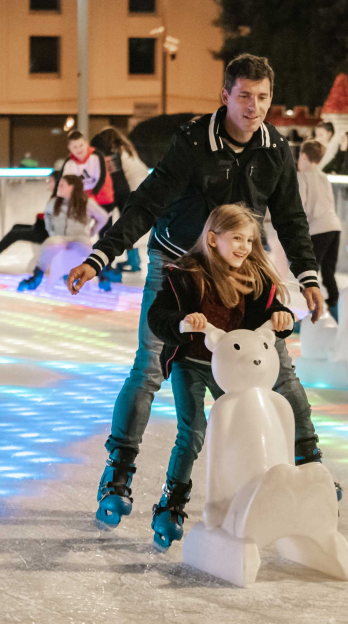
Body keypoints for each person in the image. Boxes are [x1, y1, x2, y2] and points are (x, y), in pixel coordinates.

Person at [64, 53, 327, 530]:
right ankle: (118, 473)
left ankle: (311, 469)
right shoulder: (191, 142)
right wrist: (100, 255)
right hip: (178, 265)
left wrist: (308, 276)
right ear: (224, 95)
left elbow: (290, 218)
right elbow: (147, 203)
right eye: (244, 96)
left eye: (263, 98)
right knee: (149, 368)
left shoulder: (275, 149)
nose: (254, 107)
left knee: (278, 365)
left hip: (240, 265)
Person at [145, 204, 296, 549]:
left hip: (232, 373)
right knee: (194, 430)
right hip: (192, 365)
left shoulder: (254, 277)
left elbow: (272, 310)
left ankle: (244, 500)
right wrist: (183, 323)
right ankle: (171, 502)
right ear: (213, 239)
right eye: (237, 239)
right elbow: (159, 315)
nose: (244, 247)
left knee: (243, 429)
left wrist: (283, 318)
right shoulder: (186, 274)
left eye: (249, 240)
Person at [17, 174, 109, 291]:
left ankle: (102, 277)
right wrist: (52, 232)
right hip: (61, 238)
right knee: (49, 244)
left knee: (90, 250)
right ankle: (36, 279)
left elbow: (103, 217)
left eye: (62, 185)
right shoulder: (54, 202)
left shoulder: (86, 203)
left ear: (72, 187)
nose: (58, 187)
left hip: (80, 238)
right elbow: (47, 217)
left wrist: (92, 231)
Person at [0, 171, 58, 269]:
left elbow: (54, 220)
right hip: (43, 228)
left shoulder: (57, 199)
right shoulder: (54, 198)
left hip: (46, 232)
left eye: (50, 181)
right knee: (16, 227)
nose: (48, 183)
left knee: (14, 234)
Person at [63, 129, 119, 288]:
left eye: (81, 145)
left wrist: (92, 195)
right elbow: (67, 184)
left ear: (86, 144)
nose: (79, 149)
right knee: (80, 235)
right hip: (85, 203)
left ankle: (105, 271)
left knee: (106, 236)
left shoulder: (97, 156)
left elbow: (101, 177)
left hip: (103, 199)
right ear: (70, 149)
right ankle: (77, 268)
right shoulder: (69, 163)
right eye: (74, 147)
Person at [297, 138, 343, 319]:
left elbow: (302, 207)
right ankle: (336, 311)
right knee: (328, 272)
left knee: (308, 274)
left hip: (318, 229)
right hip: (334, 226)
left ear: (303, 156)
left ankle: (311, 314)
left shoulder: (303, 177)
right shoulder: (324, 177)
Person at [92, 127, 149, 273]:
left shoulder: (113, 150)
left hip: (133, 186)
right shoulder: (126, 148)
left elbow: (115, 176)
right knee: (128, 224)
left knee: (123, 224)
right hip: (144, 183)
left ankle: (131, 261)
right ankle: (134, 260)